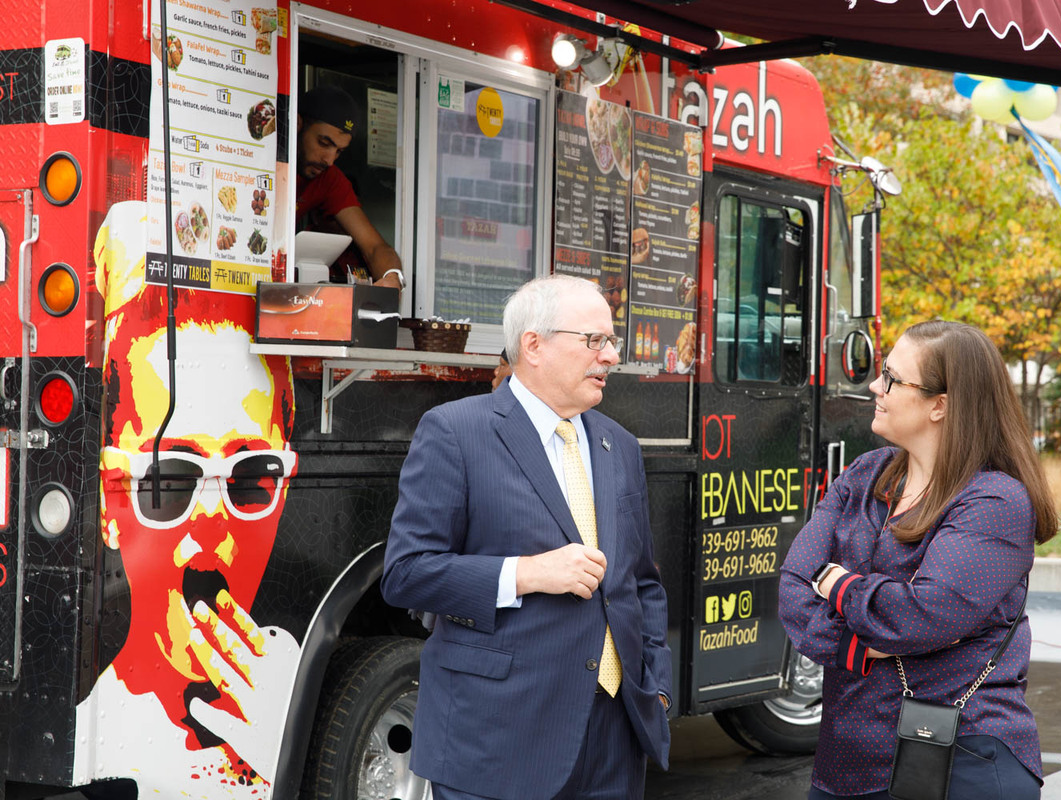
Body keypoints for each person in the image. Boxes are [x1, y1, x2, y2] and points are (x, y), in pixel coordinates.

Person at [381, 274, 671, 800]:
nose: (611, 356)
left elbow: (642, 584)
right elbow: (406, 574)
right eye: (595, 340)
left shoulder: (620, 445)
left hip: (615, 739)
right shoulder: (455, 432)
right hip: (498, 742)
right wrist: (527, 573)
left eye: (612, 341)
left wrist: (658, 688)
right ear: (534, 345)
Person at [778, 319, 1058, 800]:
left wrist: (838, 584)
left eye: (891, 378)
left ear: (939, 405)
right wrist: (864, 644)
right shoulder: (866, 475)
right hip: (845, 763)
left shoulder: (996, 501)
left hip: (960, 757)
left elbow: (922, 615)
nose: (874, 386)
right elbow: (794, 588)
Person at [74, 201, 300, 795]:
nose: (212, 521)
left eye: (250, 477)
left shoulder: (289, 686)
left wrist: (288, 737)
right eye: (170, 480)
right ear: (109, 507)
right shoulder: (87, 740)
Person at [296, 84, 405, 290]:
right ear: (297, 124)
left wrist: (392, 277)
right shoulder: (260, 161)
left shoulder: (329, 178)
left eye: (339, 151)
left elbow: (374, 247)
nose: (329, 160)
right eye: (324, 143)